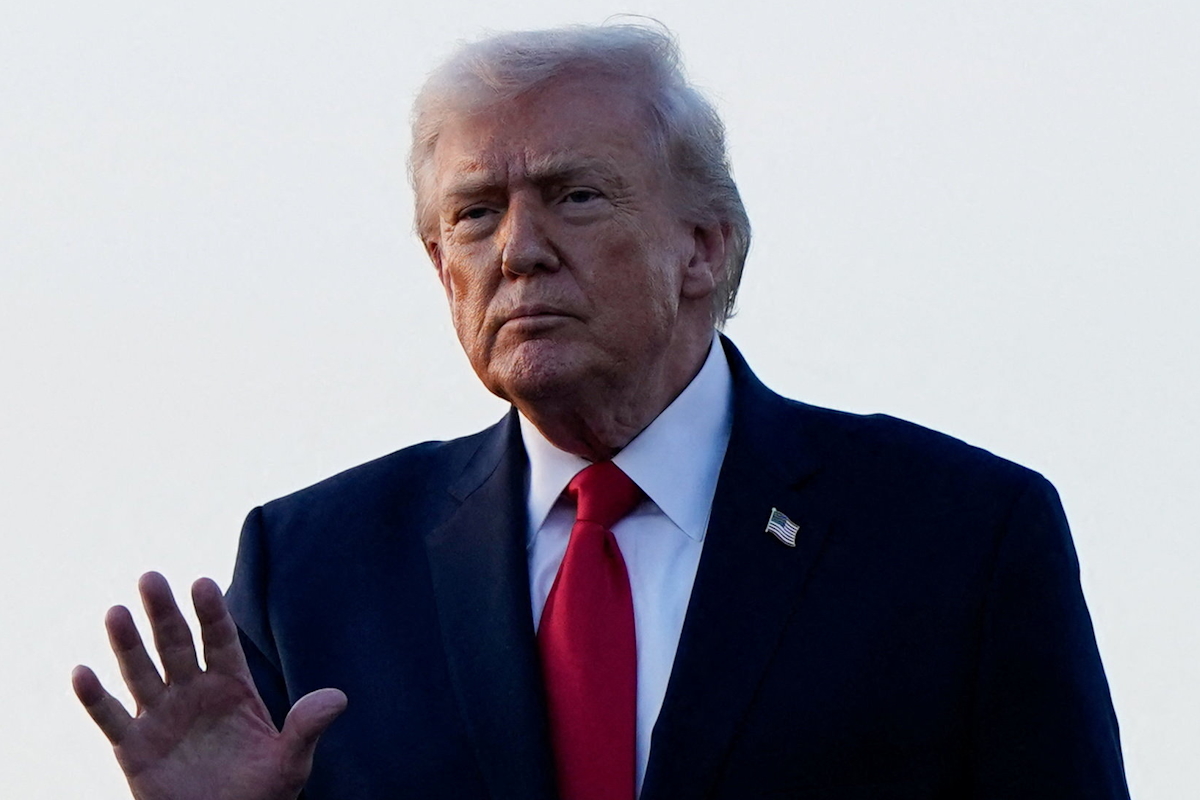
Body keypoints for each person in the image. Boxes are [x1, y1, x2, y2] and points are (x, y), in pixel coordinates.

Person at [73, 23, 1130, 800]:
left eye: (575, 196)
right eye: (474, 215)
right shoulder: (316, 565)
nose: (517, 250)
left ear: (704, 245)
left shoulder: (957, 537)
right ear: (442, 270)